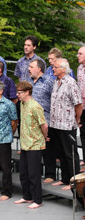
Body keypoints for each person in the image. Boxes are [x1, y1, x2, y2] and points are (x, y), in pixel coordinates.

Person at [48, 58, 82, 190]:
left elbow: (78, 104)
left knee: (70, 154)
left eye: (55, 67)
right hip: (55, 124)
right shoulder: (56, 82)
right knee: (60, 153)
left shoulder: (70, 83)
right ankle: (65, 178)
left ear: (63, 69)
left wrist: (76, 119)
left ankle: (74, 182)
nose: (53, 69)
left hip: (67, 125)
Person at [14, 81, 47, 209]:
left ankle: (37, 200)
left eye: (20, 92)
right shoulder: (22, 104)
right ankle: (27, 196)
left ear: (27, 92)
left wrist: (44, 136)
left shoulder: (35, 106)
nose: (18, 95)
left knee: (34, 173)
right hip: (25, 143)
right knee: (24, 172)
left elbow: (43, 124)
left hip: (34, 144)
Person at [28, 58, 55, 182]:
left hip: (45, 118)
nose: (29, 69)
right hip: (30, 121)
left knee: (47, 149)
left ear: (39, 69)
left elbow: (54, 100)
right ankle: (35, 173)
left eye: (31, 66)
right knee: (33, 150)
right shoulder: (28, 82)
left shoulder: (49, 81)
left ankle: (50, 174)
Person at [77, 46, 85, 169]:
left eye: (80, 53)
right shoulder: (79, 68)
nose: (77, 55)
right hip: (82, 106)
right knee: (83, 134)